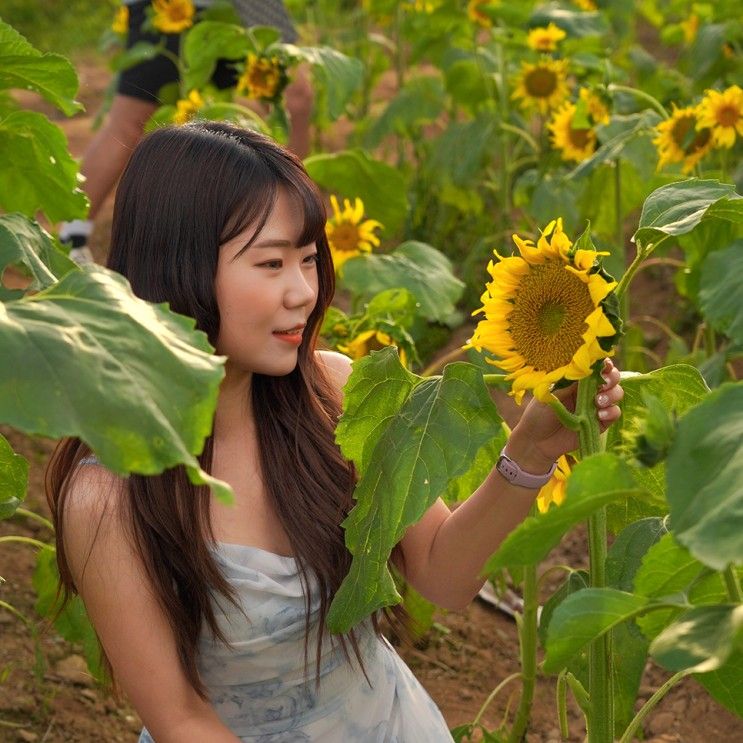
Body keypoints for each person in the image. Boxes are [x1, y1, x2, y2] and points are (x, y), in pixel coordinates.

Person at [46, 122, 624, 742]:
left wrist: (530, 450)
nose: (305, 291)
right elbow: (180, 720)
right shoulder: (109, 496)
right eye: (271, 263)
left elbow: (443, 573)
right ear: (177, 267)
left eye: (307, 260)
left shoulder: (334, 393)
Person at [59, 0, 312, 263]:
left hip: (251, 5)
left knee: (294, 98)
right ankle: (71, 236)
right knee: (130, 120)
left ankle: (291, 225)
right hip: (173, 7)